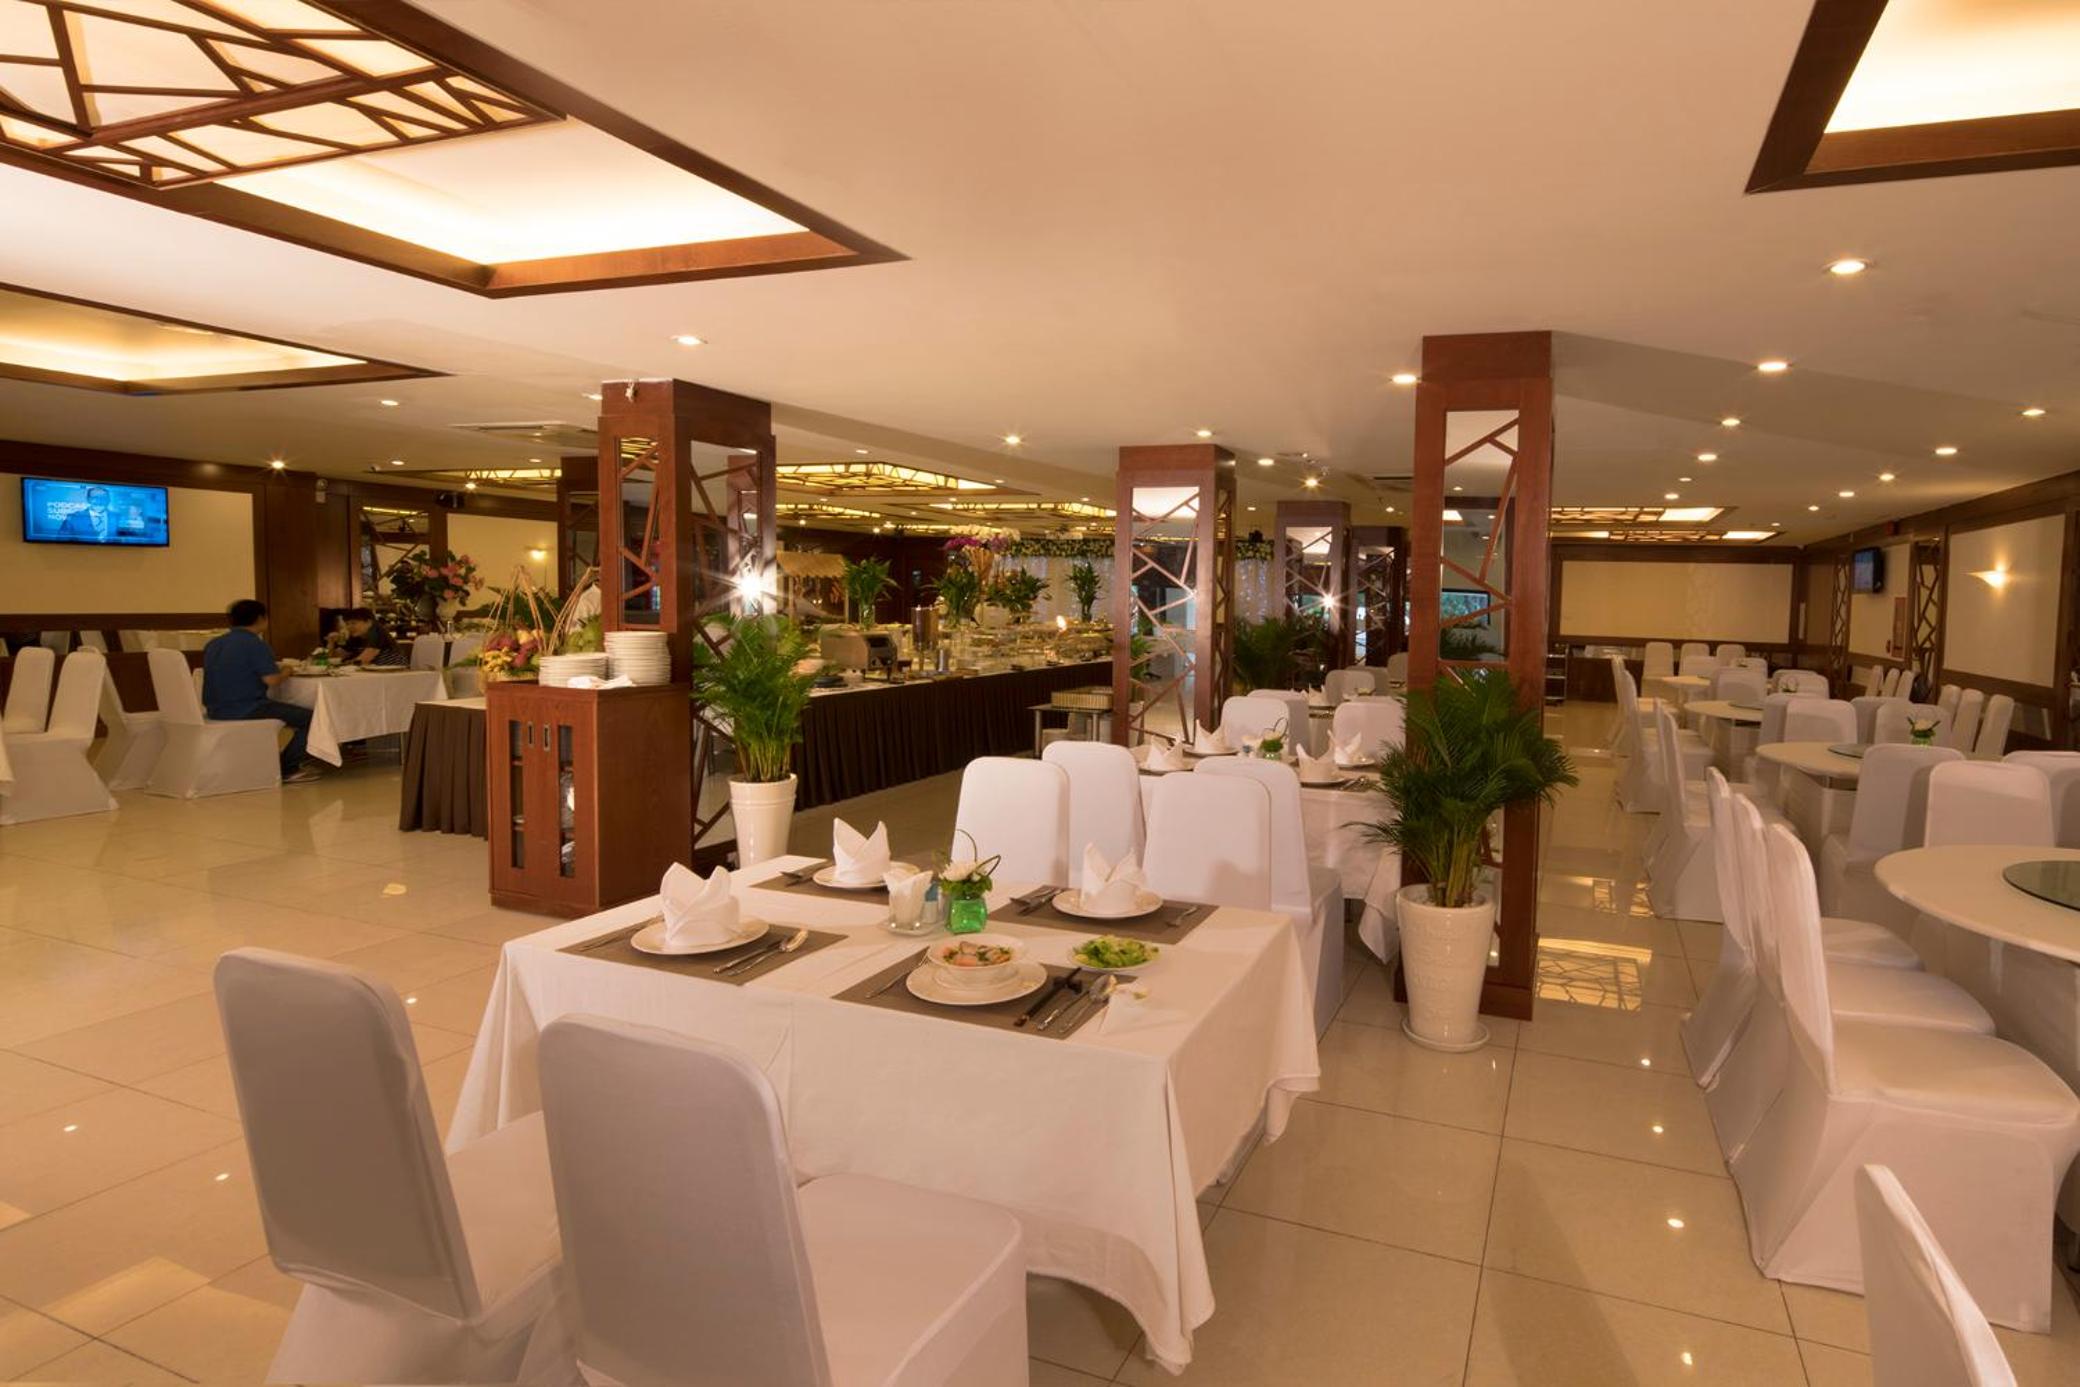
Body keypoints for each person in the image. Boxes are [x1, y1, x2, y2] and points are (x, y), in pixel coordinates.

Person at [202, 599, 319, 783]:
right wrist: (287, 671)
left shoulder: (214, 644)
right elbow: (272, 680)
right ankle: (288, 768)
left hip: (215, 708)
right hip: (246, 707)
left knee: (289, 710)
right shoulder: (255, 644)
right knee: (313, 719)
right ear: (261, 618)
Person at [327, 607, 399, 666]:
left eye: (353, 623)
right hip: (374, 674)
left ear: (369, 622)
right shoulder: (356, 636)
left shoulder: (376, 631)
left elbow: (363, 660)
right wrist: (331, 642)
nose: (349, 627)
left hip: (396, 673)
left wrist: (343, 664)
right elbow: (335, 657)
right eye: (347, 624)